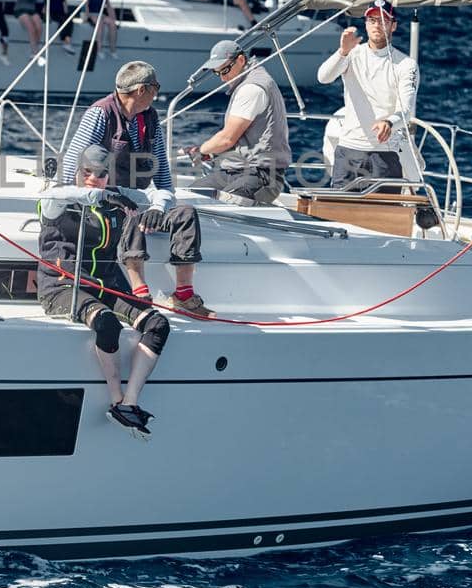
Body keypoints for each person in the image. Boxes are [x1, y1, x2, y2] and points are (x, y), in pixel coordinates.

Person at [38, 145, 175, 438]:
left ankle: (129, 403)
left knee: (158, 324)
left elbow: (162, 193)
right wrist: (103, 194)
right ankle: (115, 398)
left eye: (101, 175)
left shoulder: (116, 196)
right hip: (64, 286)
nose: (93, 179)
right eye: (87, 172)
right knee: (107, 324)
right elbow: (54, 195)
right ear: (77, 172)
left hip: (108, 283)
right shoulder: (58, 199)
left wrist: (155, 209)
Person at [60, 60, 212, 316]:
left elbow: (162, 171)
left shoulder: (150, 118)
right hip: (104, 202)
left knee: (186, 214)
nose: (158, 92)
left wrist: (160, 206)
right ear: (142, 90)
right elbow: (72, 165)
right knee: (129, 213)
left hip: (138, 201)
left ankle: (183, 295)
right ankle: (138, 292)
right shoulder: (101, 114)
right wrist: (76, 205)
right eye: (156, 87)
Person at [316, 0, 423, 188]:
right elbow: (323, 77)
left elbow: (406, 110)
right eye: (372, 20)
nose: (377, 25)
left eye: (383, 20)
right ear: (365, 24)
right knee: (339, 213)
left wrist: (389, 123)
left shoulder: (406, 65)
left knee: (383, 214)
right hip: (349, 148)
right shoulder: (351, 54)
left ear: (393, 26)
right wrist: (342, 51)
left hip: (385, 154)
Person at [186, 40, 292, 206]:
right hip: (236, 171)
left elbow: (227, 139)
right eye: (217, 73)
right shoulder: (250, 81)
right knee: (188, 198)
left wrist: (200, 150)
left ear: (241, 60)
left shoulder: (251, 88)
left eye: (225, 70)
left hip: (261, 176)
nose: (222, 78)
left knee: (219, 205)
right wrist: (211, 153)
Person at [12, 0, 46, 65]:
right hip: (21, 9)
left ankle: (35, 49)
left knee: (39, 26)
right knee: (31, 27)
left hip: (31, 9)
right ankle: (35, 52)